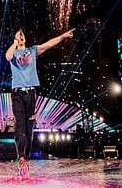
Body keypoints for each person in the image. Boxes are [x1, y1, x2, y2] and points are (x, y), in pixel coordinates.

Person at [5, 27, 74, 178]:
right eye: (18, 34)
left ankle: (25, 158)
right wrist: (15, 42)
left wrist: (62, 36)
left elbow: (48, 44)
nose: (21, 36)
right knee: (20, 123)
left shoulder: (32, 50)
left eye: (22, 34)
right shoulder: (14, 52)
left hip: (31, 92)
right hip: (17, 92)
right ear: (15, 38)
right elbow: (7, 56)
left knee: (29, 126)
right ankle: (21, 156)